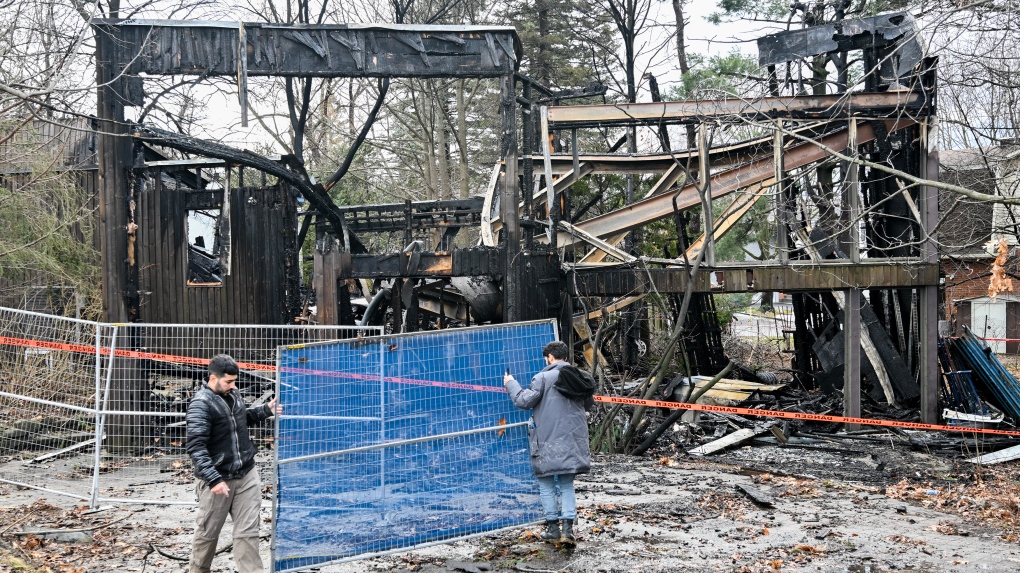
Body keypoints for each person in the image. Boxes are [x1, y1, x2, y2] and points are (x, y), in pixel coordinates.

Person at [186, 354, 282, 573]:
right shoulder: (200, 404)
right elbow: (196, 446)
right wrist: (213, 479)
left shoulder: (233, 394)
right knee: (207, 534)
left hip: (246, 474)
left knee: (248, 533)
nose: (233, 385)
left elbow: (239, 419)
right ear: (213, 378)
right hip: (217, 481)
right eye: (228, 381)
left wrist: (265, 410)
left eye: (234, 381)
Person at [504, 341, 595, 546]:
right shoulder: (580, 377)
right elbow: (589, 404)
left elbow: (523, 401)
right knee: (567, 485)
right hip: (573, 439)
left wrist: (511, 382)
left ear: (550, 358)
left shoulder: (543, 378)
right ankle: (568, 532)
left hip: (547, 441)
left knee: (546, 485)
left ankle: (553, 529)